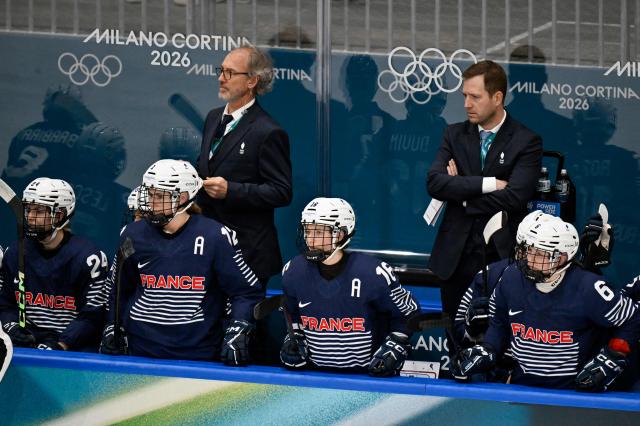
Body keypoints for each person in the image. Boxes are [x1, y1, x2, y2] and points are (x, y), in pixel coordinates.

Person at [100, 159, 263, 364]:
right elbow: (118, 289)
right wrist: (112, 325)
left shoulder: (215, 236)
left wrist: (239, 327)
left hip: (197, 354)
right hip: (140, 350)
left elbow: (246, 291)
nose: (152, 202)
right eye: (149, 194)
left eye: (160, 196)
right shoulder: (132, 234)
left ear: (183, 197)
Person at [453, 211, 640, 390]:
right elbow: (499, 321)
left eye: (540, 254)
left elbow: (631, 317)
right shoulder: (510, 277)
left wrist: (614, 354)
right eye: (527, 250)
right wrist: (489, 348)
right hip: (521, 387)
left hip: (573, 393)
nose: (529, 259)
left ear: (562, 258)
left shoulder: (589, 287)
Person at [427, 60, 543, 330]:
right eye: (465, 96)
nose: (467, 103)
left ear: (497, 97)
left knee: (497, 336)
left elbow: (515, 197)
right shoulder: (453, 134)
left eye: (475, 97)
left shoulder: (526, 141)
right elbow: (435, 183)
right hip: (454, 257)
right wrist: (489, 184)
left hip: (500, 256)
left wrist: (460, 191)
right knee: (456, 336)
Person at [279, 197, 421, 376]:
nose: (310, 240)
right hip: (313, 376)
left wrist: (396, 343)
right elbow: (292, 314)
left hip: (366, 379)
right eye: (307, 231)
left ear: (340, 234)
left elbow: (409, 314)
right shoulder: (293, 271)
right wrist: (294, 336)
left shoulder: (374, 273)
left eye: (318, 232)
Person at [196, 45, 292, 287]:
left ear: (252, 81)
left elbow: (281, 191)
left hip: (248, 253)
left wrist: (231, 190)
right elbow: (208, 166)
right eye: (221, 70)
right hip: (208, 246)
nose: (220, 78)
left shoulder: (268, 131)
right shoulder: (213, 117)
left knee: (244, 323)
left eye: (229, 72)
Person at [0, 178, 109, 351]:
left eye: (39, 211)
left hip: (71, 353)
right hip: (27, 346)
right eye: (28, 209)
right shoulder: (15, 252)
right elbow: (5, 303)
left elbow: (92, 315)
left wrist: (62, 344)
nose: (30, 217)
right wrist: (11, 326)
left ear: (59, 215)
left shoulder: (88, 257)